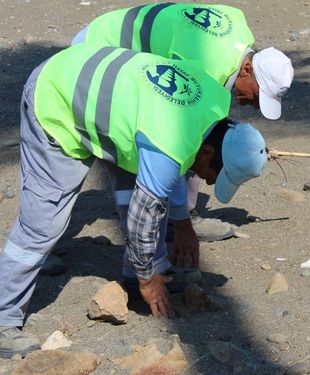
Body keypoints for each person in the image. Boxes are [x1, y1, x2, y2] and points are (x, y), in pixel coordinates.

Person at [0, 43, 268, 358]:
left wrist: (181, 229)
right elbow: (143, 216)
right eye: (214, 175)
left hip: (110, 98)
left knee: (142, 193)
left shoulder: (217, 105)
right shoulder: (169, 141)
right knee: (43, 223)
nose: (208, 182)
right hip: (57, 96)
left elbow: (163, 186)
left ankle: (139, 275)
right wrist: (148, 279)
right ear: (207, 151)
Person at [71, 3, 294, 243]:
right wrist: (183, 224)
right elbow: (177, 139)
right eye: (258, 96)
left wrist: (250, 148)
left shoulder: (239, 33)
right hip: (97, 50)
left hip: (110, 35)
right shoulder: (206, 69)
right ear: (247, 69)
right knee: (86, 151)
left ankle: (173, 218)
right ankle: (39, 241)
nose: (255, 106)